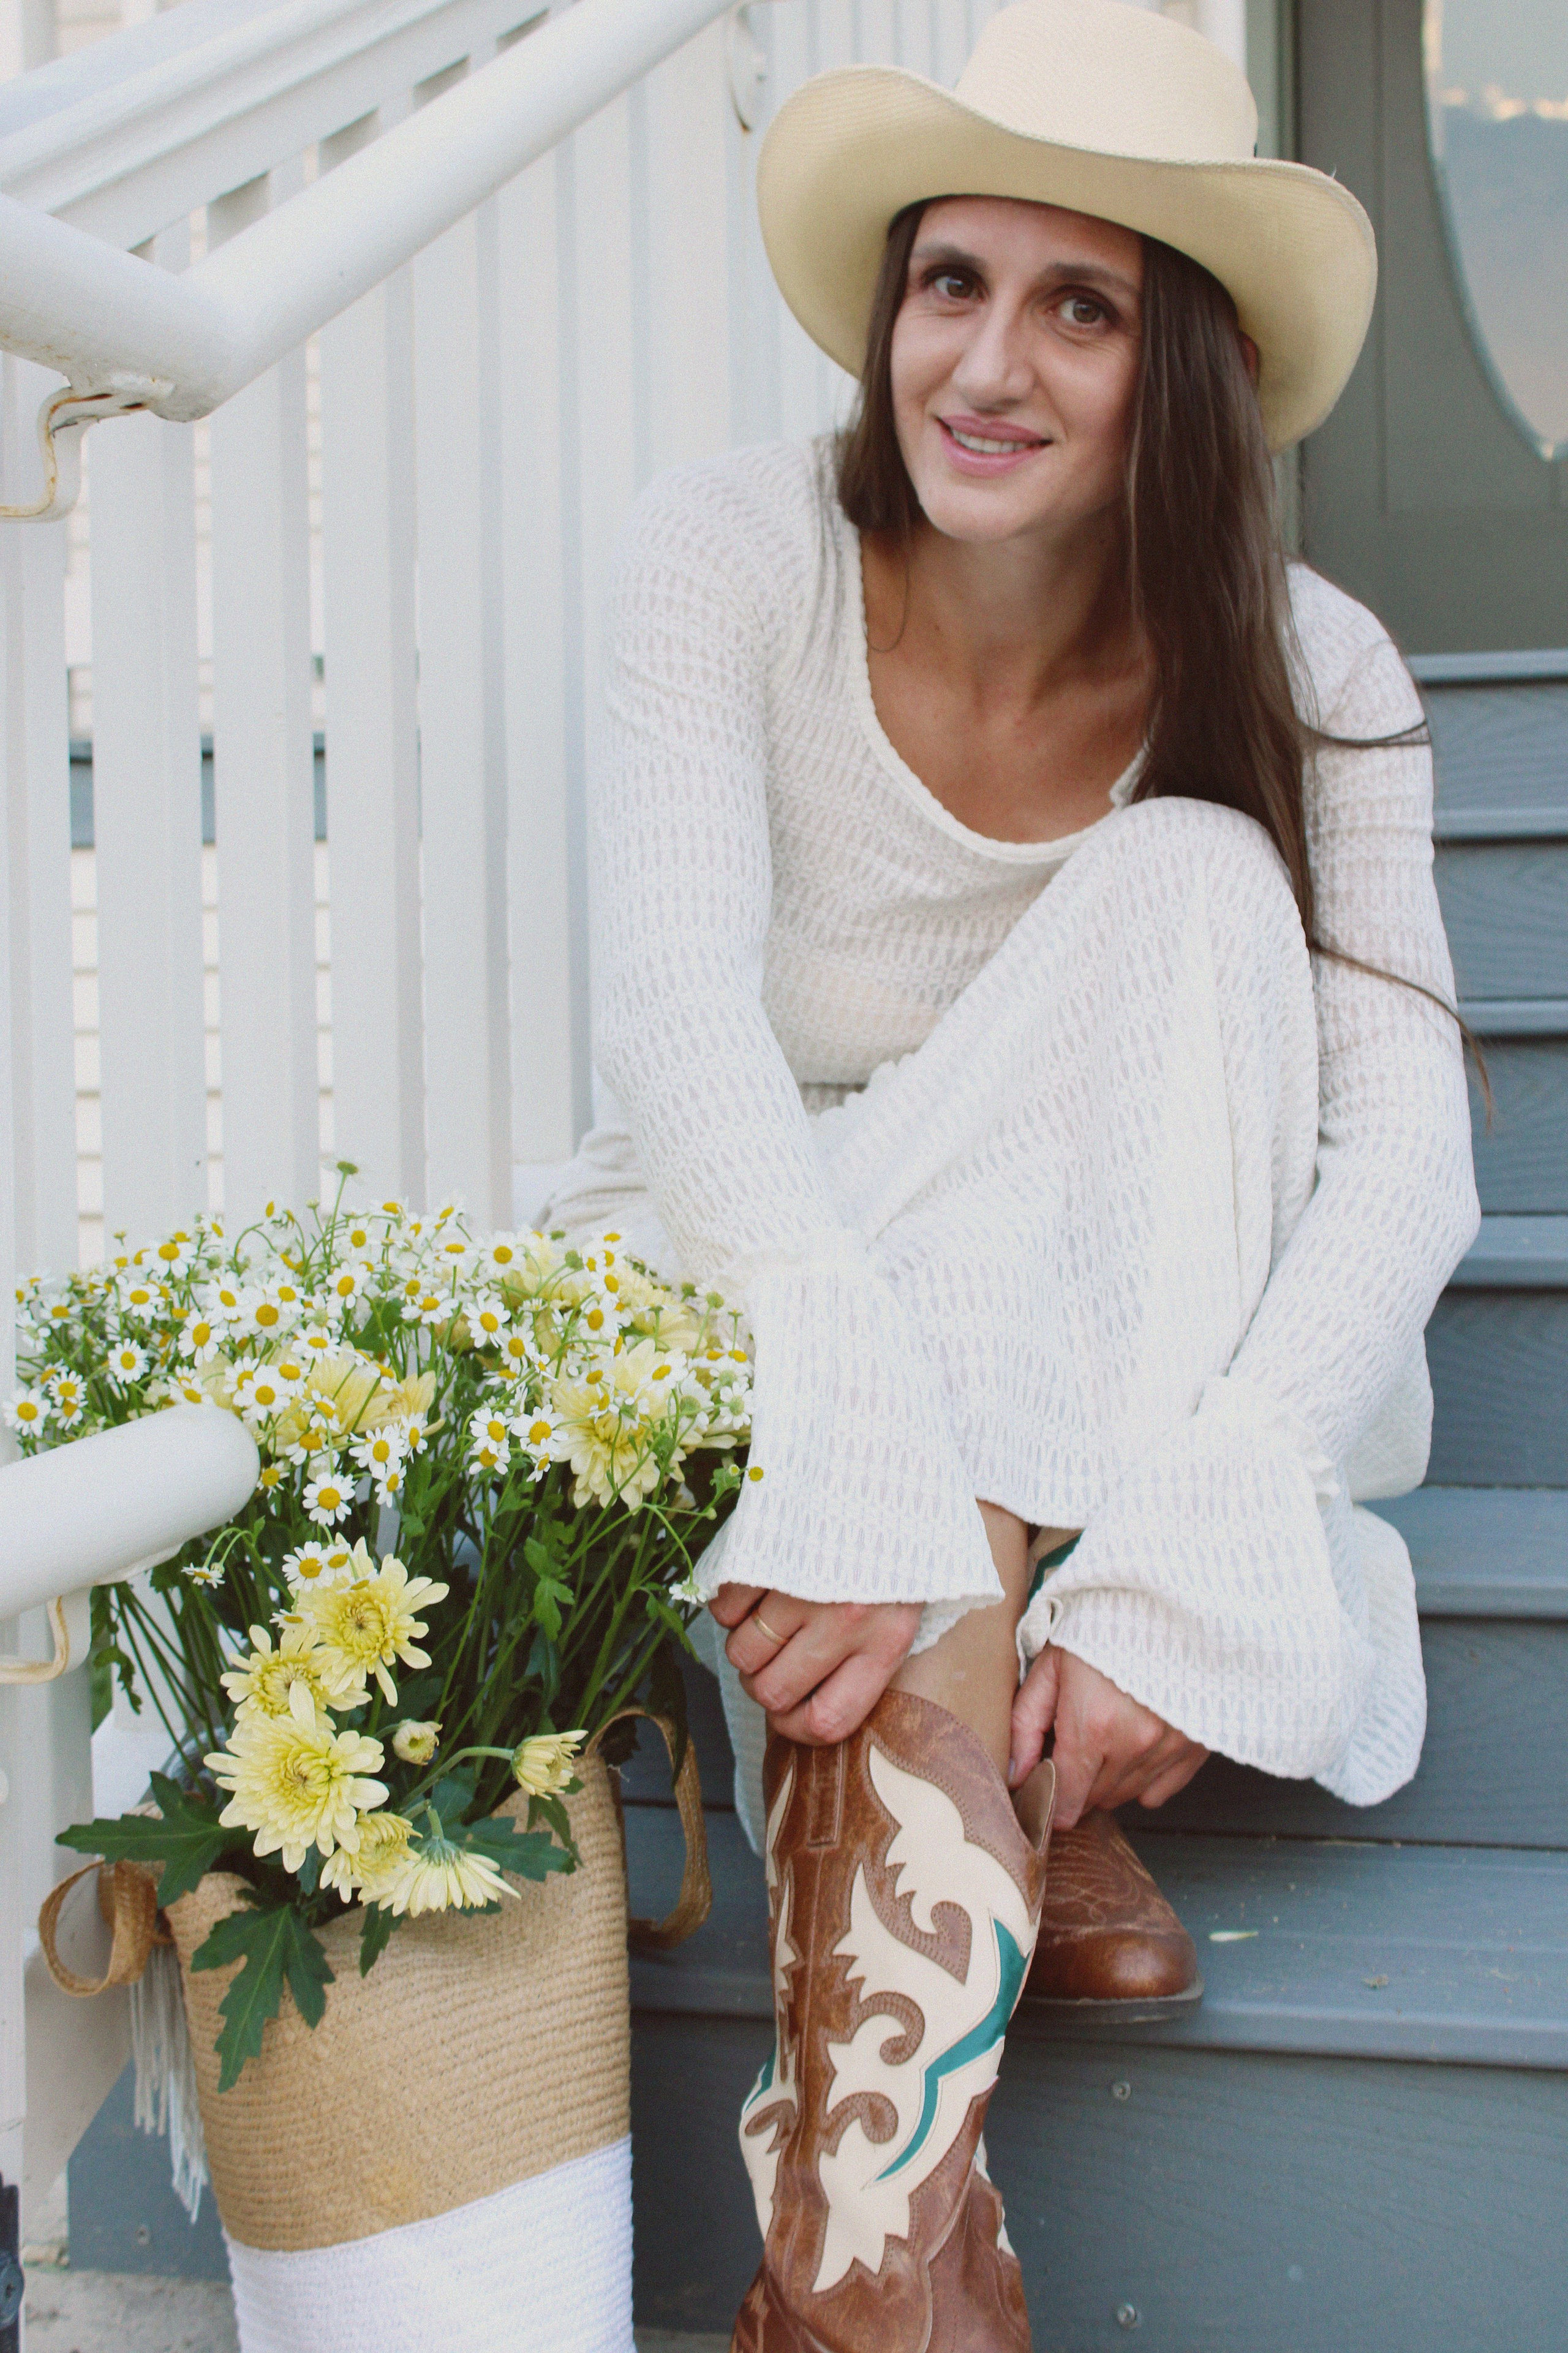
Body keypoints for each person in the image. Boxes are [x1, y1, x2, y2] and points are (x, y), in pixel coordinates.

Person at [543, 0, 1479, 2341]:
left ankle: (849, 2285)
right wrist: (835, 1378)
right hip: (769, 1256)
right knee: (915, 1308)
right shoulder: (727, 555)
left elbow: (1412, 1163)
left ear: (1180, 371)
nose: (986, 360)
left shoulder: (1315, 666)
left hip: (1132, 1317)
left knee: (1184, 888)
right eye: (951, 280)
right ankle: (893, 2247)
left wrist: (1193, 1545)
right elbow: (675, 1024)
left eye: (1083, 304)